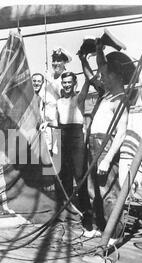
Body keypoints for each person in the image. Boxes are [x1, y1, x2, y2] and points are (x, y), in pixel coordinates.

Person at [80, 38, 136, 245]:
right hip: (93, 144)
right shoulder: (107, 94)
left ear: (115, 75)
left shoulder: (120, 98)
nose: (101, 76)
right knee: (93, 189)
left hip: (105, 147)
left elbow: (121, 133)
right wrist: (98, 49)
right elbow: (101, 66)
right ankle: (96, 225)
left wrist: (107, 159)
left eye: (104, 74)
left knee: (109, 191)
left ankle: (115, 234)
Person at [55, 70, 90, 218]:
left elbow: (88, 83)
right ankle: (67, 209)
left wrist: (84, 61)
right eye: (64, 83)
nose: (67, 85)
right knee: (65, 174)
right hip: (63, 136)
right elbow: (56, 122)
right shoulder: (58, 102)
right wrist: (46, 124)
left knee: (80, 174)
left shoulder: (79, 98)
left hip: (76, 137)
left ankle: (86, 210)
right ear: (62, 84)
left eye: (70, 82)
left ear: (75, 83)